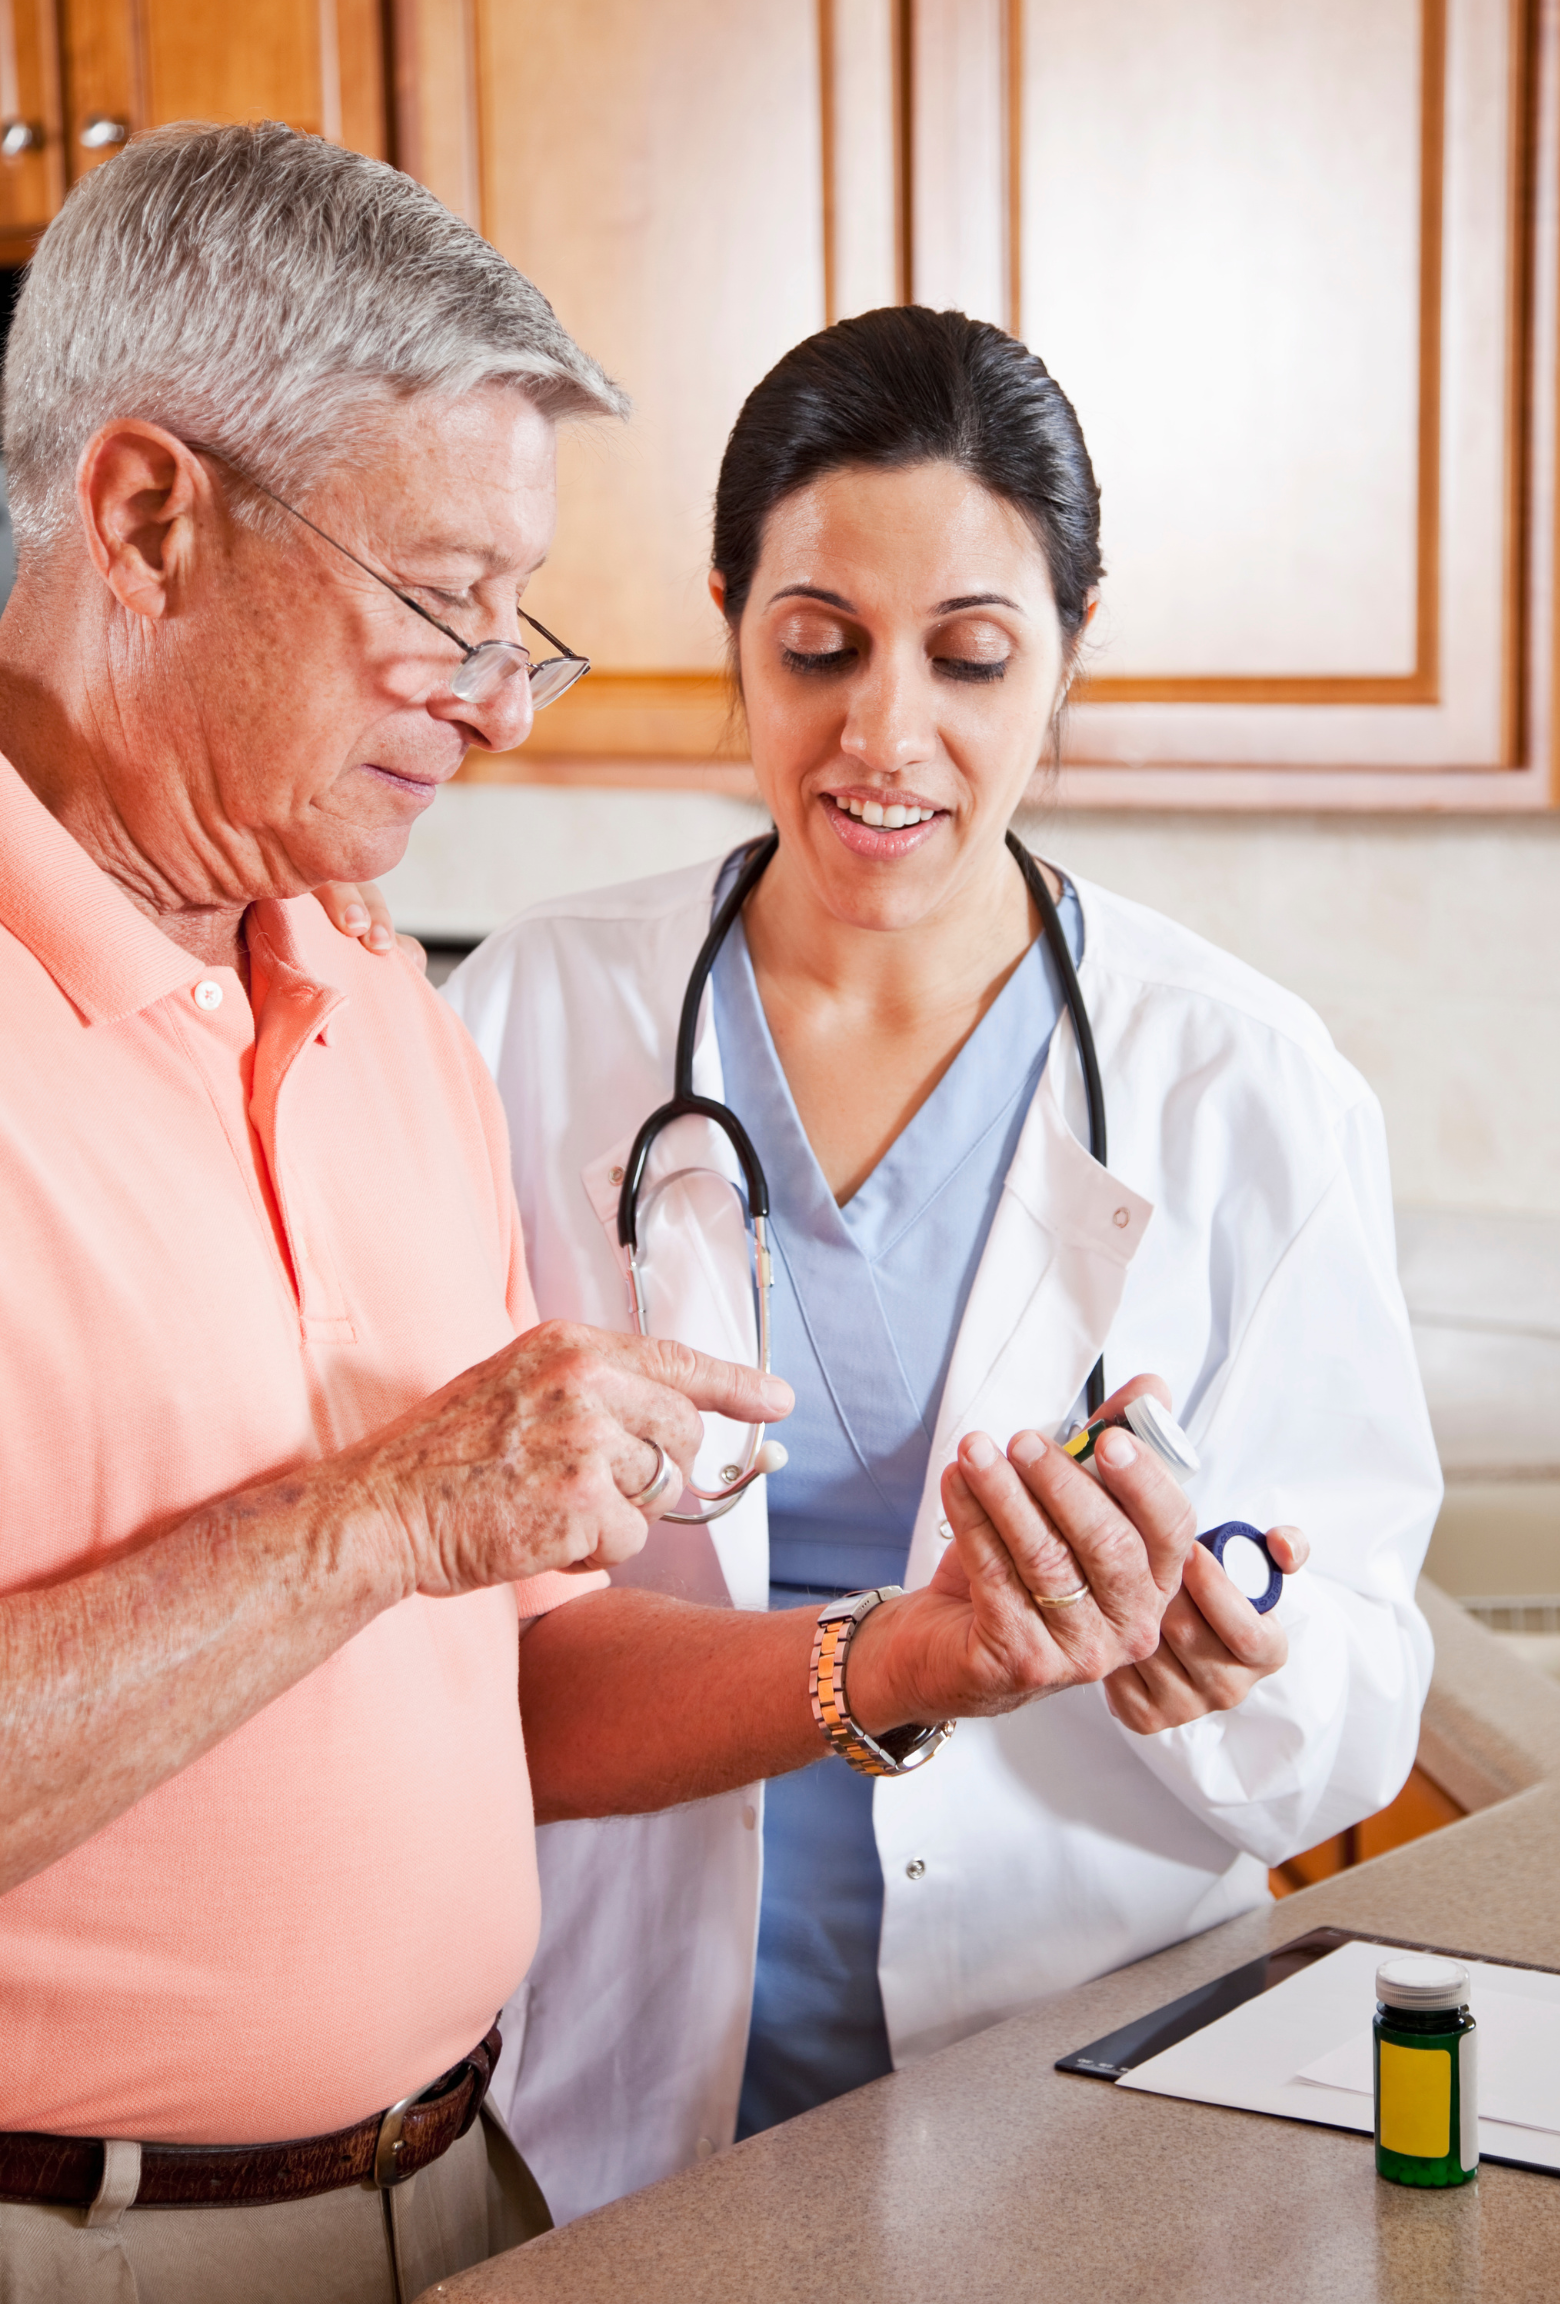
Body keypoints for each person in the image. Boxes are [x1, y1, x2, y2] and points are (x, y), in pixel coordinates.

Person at [1, 136, 1202, 2302]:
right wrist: (383, 1517)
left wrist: (912, 1659)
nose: (495, 692)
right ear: (150, 518)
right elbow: (412, 1542)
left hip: (474, 2202)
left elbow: (522, 1668)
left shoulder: (378, 1000)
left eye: (516, 616)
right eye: (441, 602)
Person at [329, 306, 1443, 2224]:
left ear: (1070, 655)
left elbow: (1360, 1693)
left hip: (1088, 2095)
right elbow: (434, 1634)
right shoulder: (528, 1023)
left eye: (975, 659)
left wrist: (1231, 1661)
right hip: (608, 2096)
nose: (885, 736)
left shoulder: (1243, 1085)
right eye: (819, 648)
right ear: (729, 621)